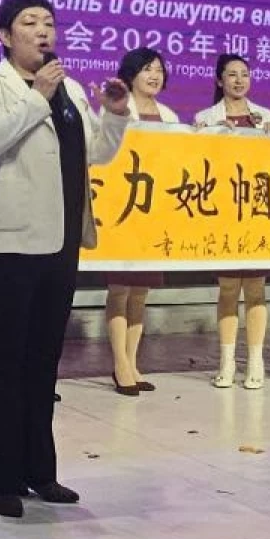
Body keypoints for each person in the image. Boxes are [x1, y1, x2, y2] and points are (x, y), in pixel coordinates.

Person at [0, 0, 130, 518]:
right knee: (5, 362)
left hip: (60, 242)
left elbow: (94, 153)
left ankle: (39, 471)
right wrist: (37, 95)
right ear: (4, 35)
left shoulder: (70, 89)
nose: (43, 31)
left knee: (42, 362)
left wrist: (115, 114)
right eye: (30, 22)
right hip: (10, 244)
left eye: (49, 23)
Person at [192, 53, 270, 389]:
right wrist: (210, 137)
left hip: (258, 209)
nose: (239, 80)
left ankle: (255, 360)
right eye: (232, 74)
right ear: (219, 80)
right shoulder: (205, 118)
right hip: (224, 211)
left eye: (244, 74)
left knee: (256, 288)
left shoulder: (267, 117)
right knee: (228, 288)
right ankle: (226, 361)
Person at [103, 47, 180, 397]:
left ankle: (133, 362)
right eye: (147, 69)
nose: (154, 75)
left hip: (154, 212)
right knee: (119, 289)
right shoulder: (117, 111)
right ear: (131, 74)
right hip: (123, 209)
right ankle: (119, 364)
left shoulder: (170, 115)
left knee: (141, 291)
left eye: (159, 70)